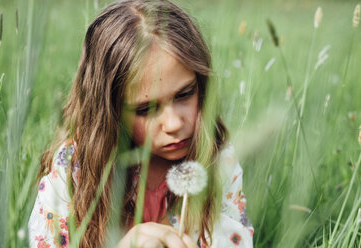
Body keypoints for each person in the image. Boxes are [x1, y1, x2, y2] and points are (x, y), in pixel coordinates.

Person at [28, 0, 254, 247]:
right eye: (145, 109)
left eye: (184, 93)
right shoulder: (74, 170)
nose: (173, 123)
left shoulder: (216, 159)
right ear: (110, 112)